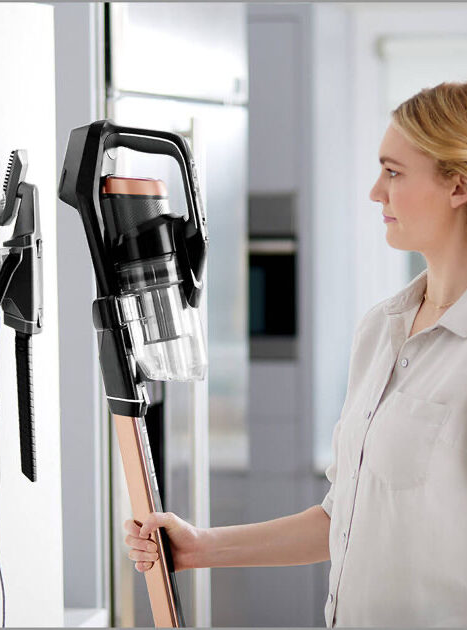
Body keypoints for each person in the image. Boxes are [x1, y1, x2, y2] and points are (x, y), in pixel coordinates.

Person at [124, 81, 467, 627]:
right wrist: (198, 547)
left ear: (458, 185)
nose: (376, 192)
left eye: (394, 172)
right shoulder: (382, 329)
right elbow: (344, 517)